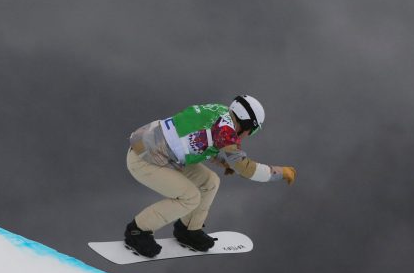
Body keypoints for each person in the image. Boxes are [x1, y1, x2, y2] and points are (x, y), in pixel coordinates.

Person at [124, 95, 296, 257]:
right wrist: (279, 173)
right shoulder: (226, 131)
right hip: (144, 160)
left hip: (160, 152)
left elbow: (202, 140)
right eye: (253, 131)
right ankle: (137, 230)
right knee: (190, 197)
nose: (249, 135)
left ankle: (189, 229)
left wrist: (226, 162)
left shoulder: (221, 113)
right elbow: (246, 169)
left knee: (210, 182)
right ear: (247, 125)